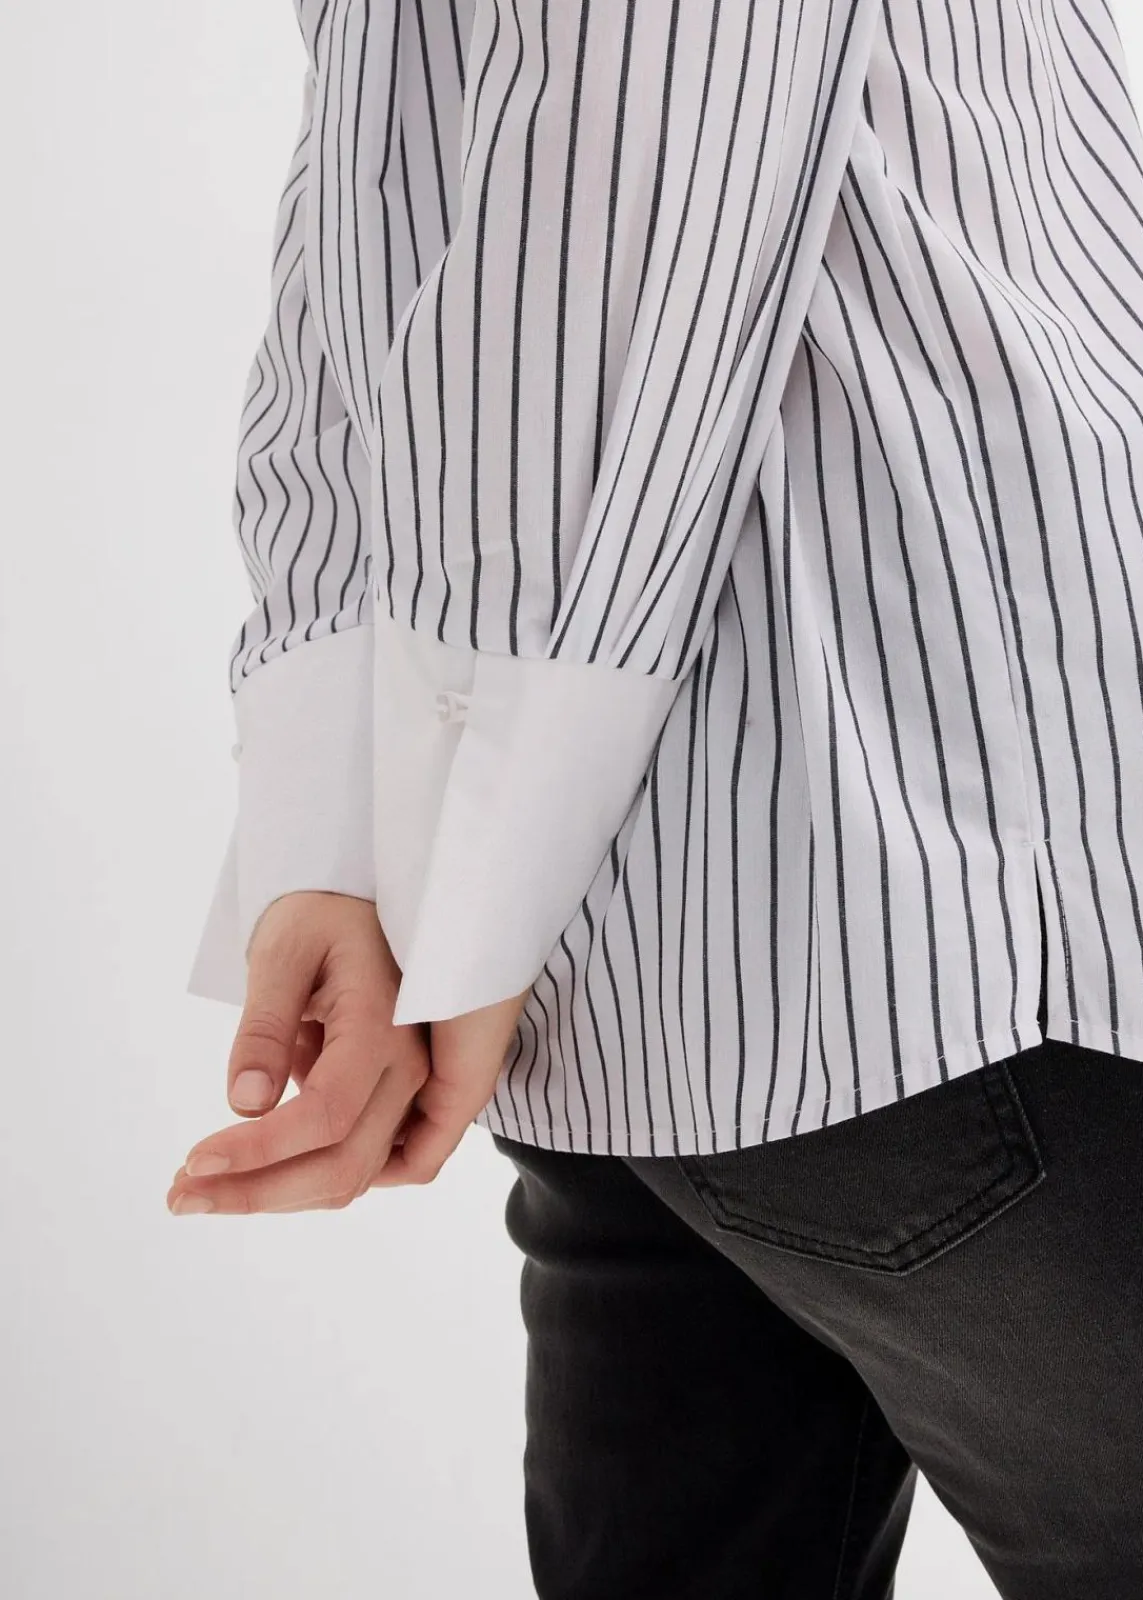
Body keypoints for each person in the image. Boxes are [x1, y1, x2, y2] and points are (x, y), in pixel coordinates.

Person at [172, 2, 1143, 1595]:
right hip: (937, 886)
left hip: (652, 960)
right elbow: (602, 184)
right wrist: (458, 855)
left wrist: (366, 829)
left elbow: (380, 182)